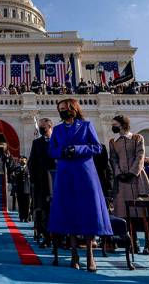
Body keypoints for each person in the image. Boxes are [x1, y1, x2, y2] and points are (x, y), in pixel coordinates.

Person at [48, 98, 112, 272]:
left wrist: (77, 149)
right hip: (65, 172)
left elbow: (97, 147)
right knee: (70, 211)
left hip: (85, 172)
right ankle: (74, 253)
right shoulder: (58, 129)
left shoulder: (86, 125)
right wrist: (62, 151)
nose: (61, 111)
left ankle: (90, 254)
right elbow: (51, 150)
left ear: (73, 108)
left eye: (64, 108)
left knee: (88, 210)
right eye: (59, 108)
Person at [108, 114, 149, 253]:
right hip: (122, 180)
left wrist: (132, 172)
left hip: (137, 178)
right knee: (126, 213)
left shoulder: (137, 138)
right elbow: (113, 159)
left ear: (123, 124)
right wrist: (119, 172)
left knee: (144, 212)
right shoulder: (113, 141)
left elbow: (140, 155)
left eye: (115, 124)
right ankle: (132, 241)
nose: (113, 126)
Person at [28, 118, 57, 247]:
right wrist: (34, 180)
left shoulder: (58, 141)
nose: (41, 129)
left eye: (43, 127)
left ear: (50, 128)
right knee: (44, 211)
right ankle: (47, 237)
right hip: (42, 182)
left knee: (58, 209)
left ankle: (60, 236)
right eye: (40, 127)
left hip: (57, 180)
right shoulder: (37, 143)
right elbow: (31, 163)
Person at [14, 158, 31, 222]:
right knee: (20, 204)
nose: (23, 162)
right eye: (21, 161)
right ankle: (21, 217)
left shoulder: (29, 169)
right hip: (19, 189)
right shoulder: (17, 169)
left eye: (24, 161)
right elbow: (15, 179)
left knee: (27, 204)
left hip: (27, 189)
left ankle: (26, 217)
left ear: (26, 162)